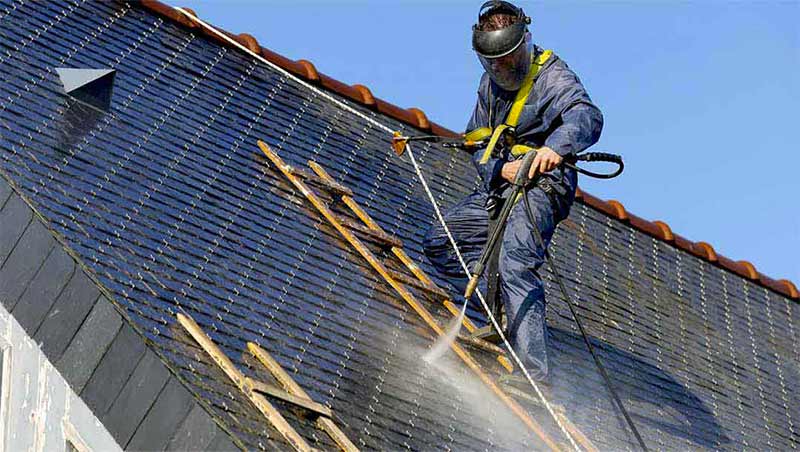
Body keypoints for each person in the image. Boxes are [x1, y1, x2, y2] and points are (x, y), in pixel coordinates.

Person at [423, 0, 603, 388]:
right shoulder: (490, 83)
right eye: (494, 64)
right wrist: (496, 168)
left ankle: (532, 374)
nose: (502, 69)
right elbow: (477, 139)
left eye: (509, 59)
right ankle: (500, 309)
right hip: (503, 184)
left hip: (542, 186)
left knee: (516, 262)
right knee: (441, 241)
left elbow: (586, 116)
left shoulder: (553, 76)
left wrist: (554, 149)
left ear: (524, 44)